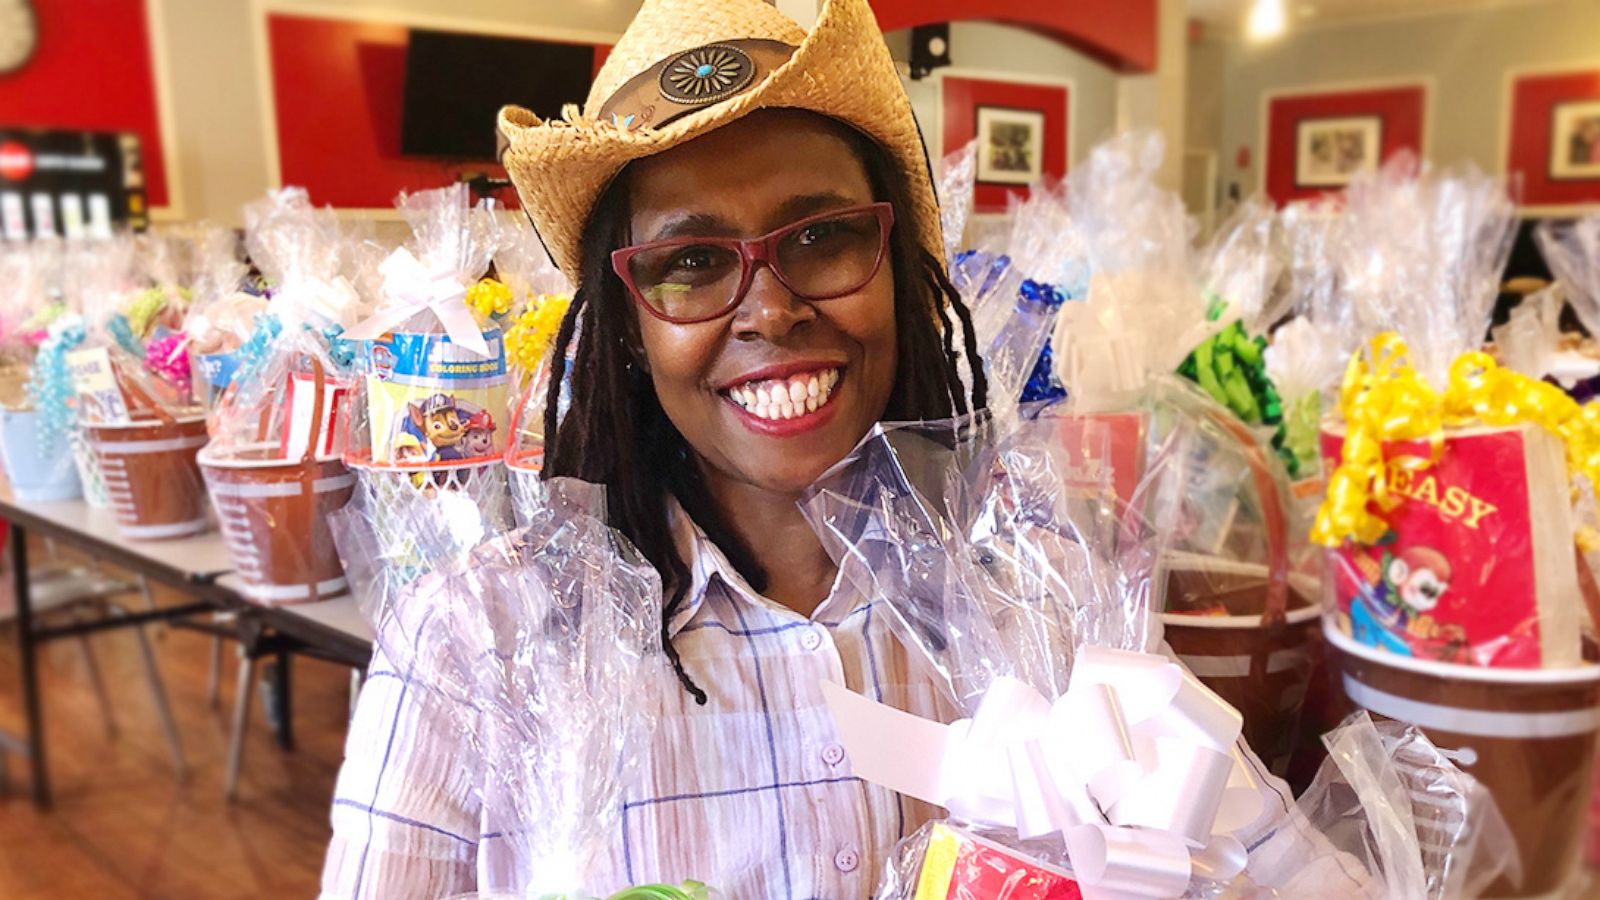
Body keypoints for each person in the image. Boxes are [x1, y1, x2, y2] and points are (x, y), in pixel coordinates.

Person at [321, 0, 1358, 896]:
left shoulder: (1040, 583)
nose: (769, 310)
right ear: (627, 326)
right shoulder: (478, 646)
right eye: (689, 261)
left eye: (822, 236)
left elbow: (1293, 873)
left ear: (899, 263)